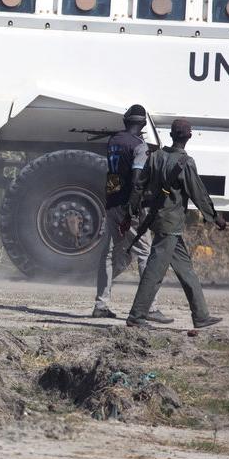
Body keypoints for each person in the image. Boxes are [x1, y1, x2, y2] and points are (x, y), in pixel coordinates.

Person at [126, 119, 226, 329]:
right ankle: (136, 317)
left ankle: (201, 316)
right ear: (189, 136)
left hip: (159, 221)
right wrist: (214, 217)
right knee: (154, 272)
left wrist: (131, 210)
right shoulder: (185, 162)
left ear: (172, 135)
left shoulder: (155, 156)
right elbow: (198, 193)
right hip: (170, 225)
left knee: (186, 270)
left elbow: (138, 186)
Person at [92, 105, 168, 323]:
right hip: (129, 206)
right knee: (145, 253)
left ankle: (101, 305)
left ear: (125, 121)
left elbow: (114, 174)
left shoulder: (113, 141)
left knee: (109, 254)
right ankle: (149, 307)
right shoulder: (139, 146)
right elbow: (136, 179)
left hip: (112, 202)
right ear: (143, 124)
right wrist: (133, 207)